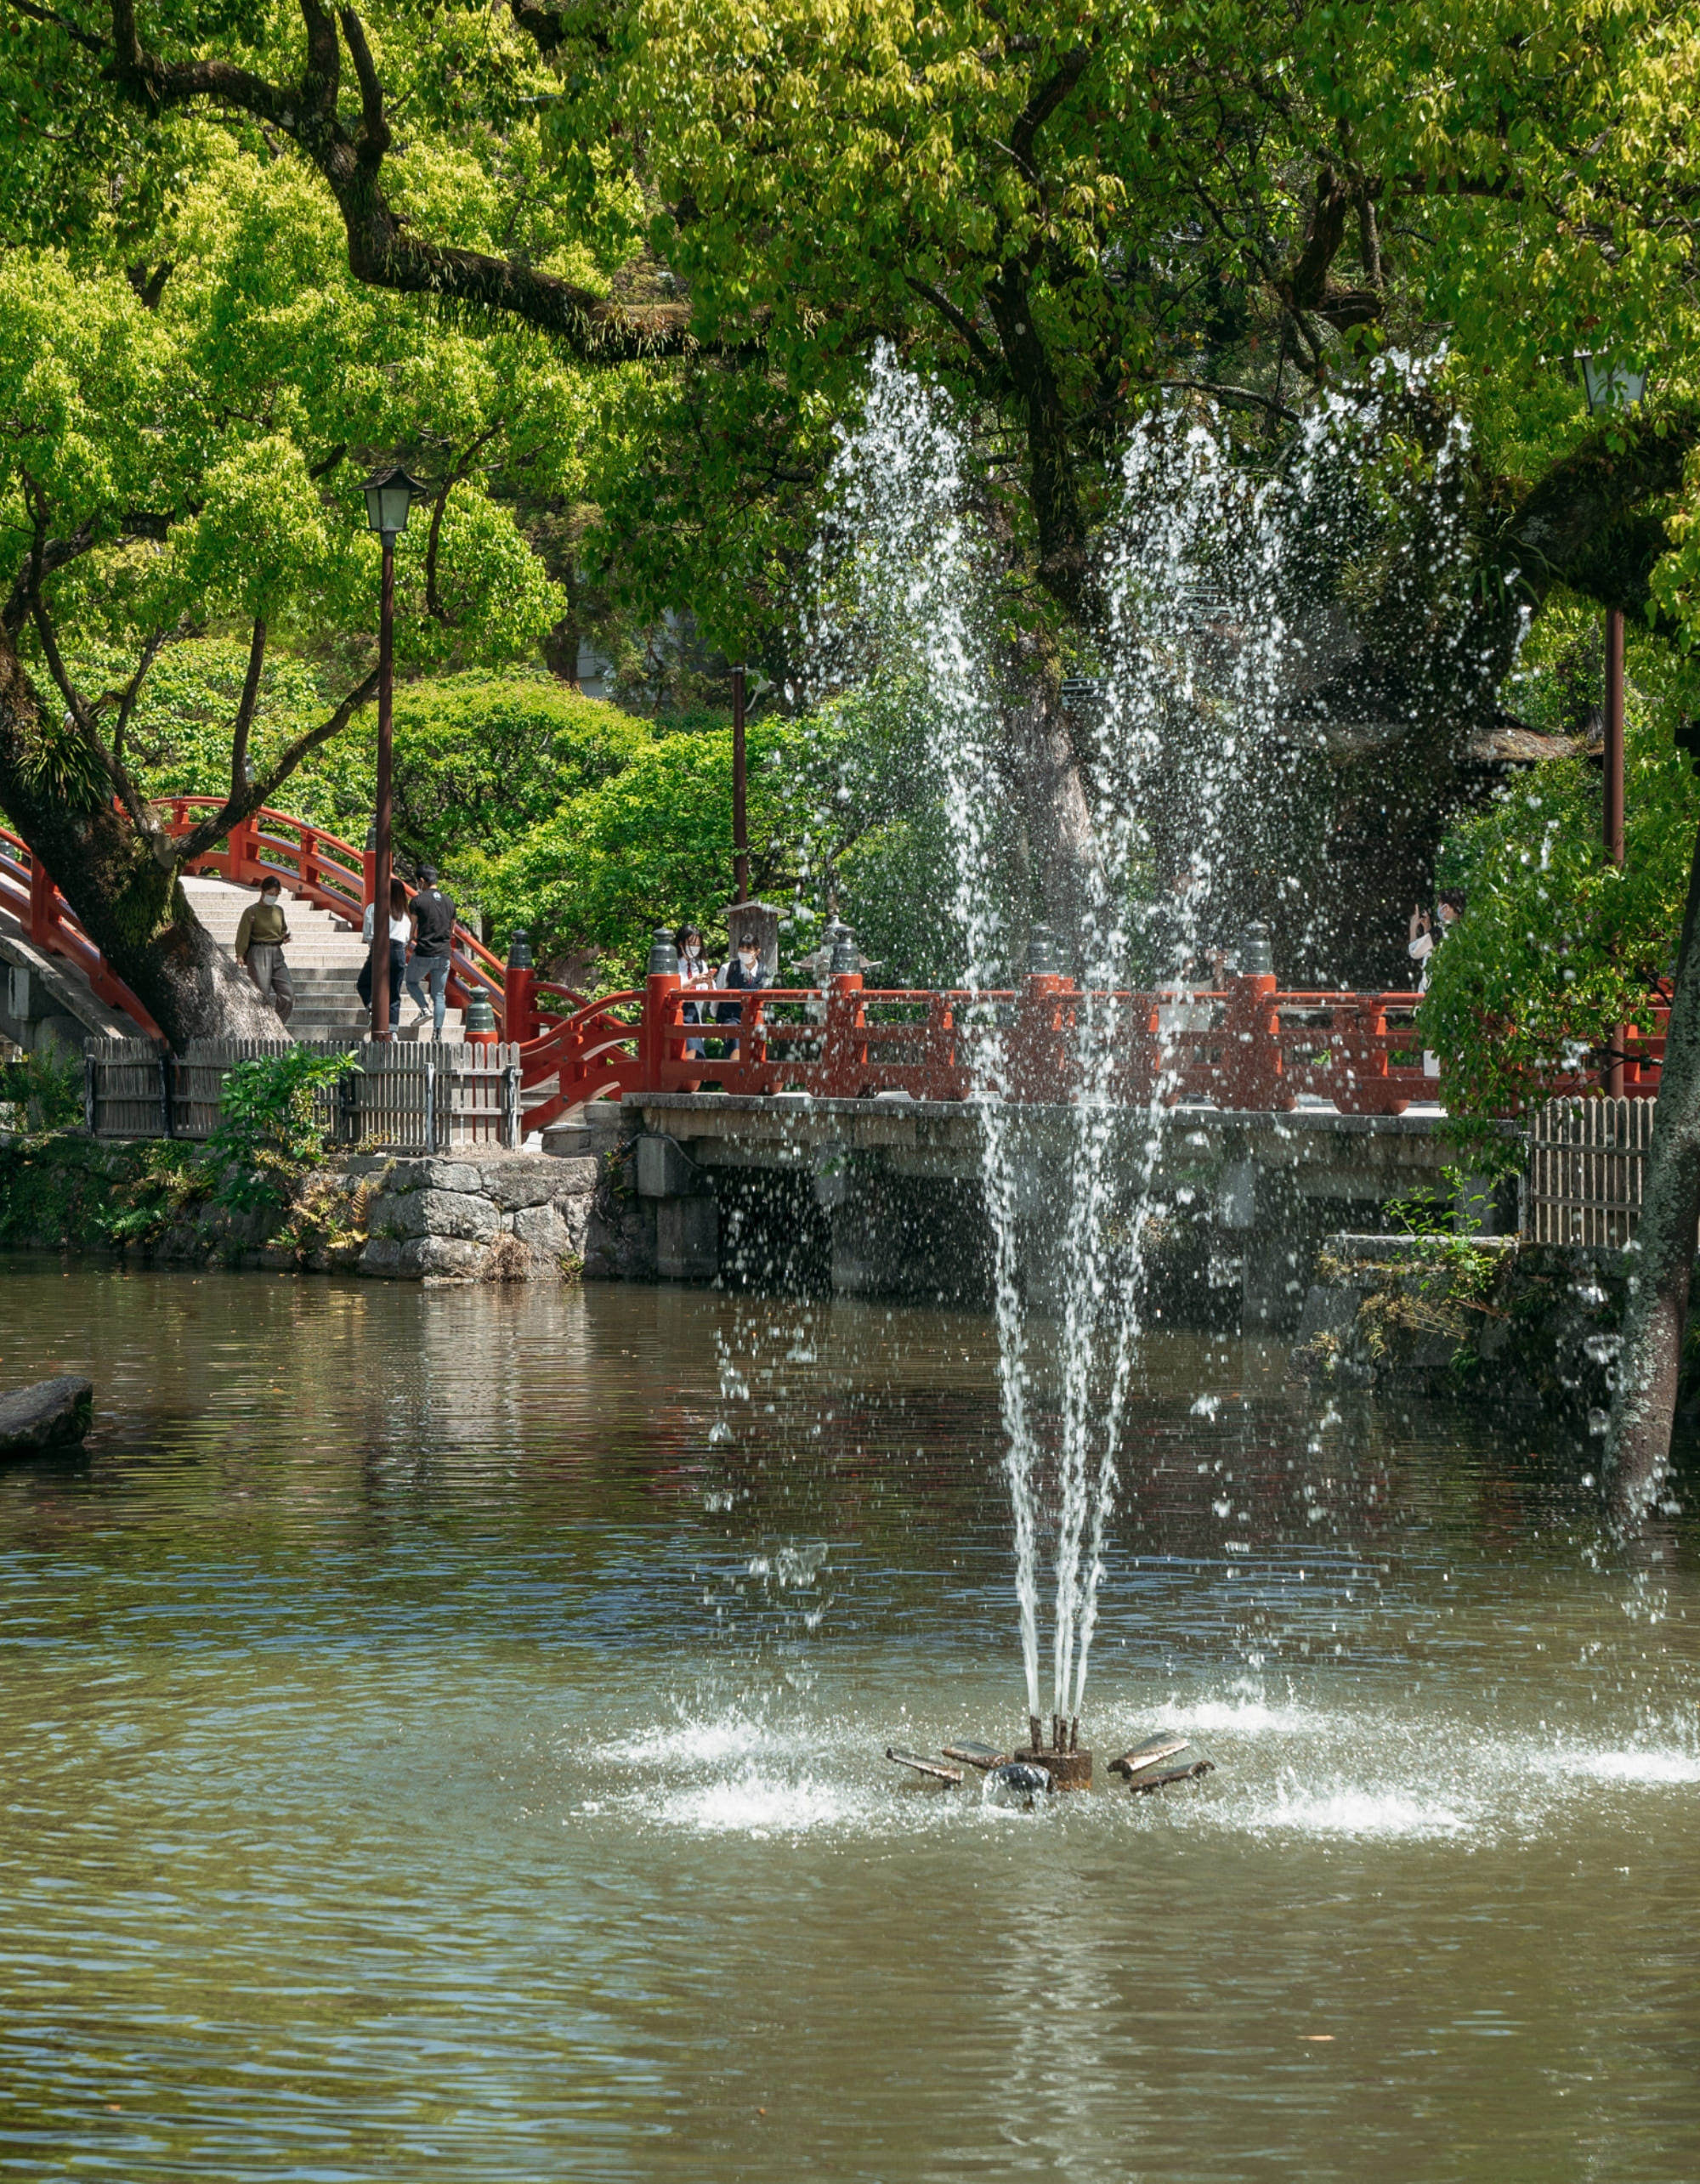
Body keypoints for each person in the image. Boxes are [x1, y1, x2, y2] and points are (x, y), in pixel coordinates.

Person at [1408, 890, 1465, 1079]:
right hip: (1456, 995)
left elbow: (1415, 952)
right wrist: (1427, 930)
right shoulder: (1464, 930)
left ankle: (1435, 1082)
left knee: (1434, 1040)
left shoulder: (1441, 931)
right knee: (1456, 1041)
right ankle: (1456, 1079)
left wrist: (1413, 927)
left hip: (1434, 998)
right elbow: (1432, 955)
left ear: (1447, 907)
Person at [234, 874, 293, 1024]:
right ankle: (260, 1025)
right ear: (262, 891)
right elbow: (243, 933)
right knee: (262, 994)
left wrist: (284, 937)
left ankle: (277, 1024)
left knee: (288, 994)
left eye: (276, 895)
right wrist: (240, 954)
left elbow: (282, 929)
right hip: (258, 953)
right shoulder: (251, 911)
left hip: (277, 952)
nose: (273, 897)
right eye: (271, 894)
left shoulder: (279, 910)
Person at [405, 864, 456, 1037]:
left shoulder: (417, 901)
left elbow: (412, 931)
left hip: (424, 952)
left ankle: (424, 1008)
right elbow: (452, 930)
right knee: (439, 994)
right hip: (443, 953)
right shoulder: (449, 902)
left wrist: (405, 947)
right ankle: (437, 1032)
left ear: (422, 881)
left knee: (411, 981)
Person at [359, 879, 411, 1025]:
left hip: (380, 949)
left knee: (364, 983)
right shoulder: (405, 914)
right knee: (394, 993)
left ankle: (372, 1008)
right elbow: (407, 937)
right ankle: (393, 1029)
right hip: (399, 951)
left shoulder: (373, 908)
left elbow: (368, 935)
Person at [716, 930, 766, 1060]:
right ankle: (735, 1075)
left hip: (755, 1019)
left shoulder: (765, 972)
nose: (744, 953)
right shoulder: (728, 969)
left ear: (757, 951)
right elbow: (717, 995)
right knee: (734, 1041)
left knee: (756, 1052)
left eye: (748, 950)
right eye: (741, 949)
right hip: (730, 1018)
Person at [676, 923, 711, 1059]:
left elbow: (710, 995)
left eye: (697, 944)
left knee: (698, 1059)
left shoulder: (701, 965)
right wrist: (691, 983)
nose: (694, 948)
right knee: (689, 1053)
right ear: (680, 943)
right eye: (691, 943)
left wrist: (709, 983)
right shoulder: (672, 964)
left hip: (695, 1013)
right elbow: (668, 990)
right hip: (677, 1012)